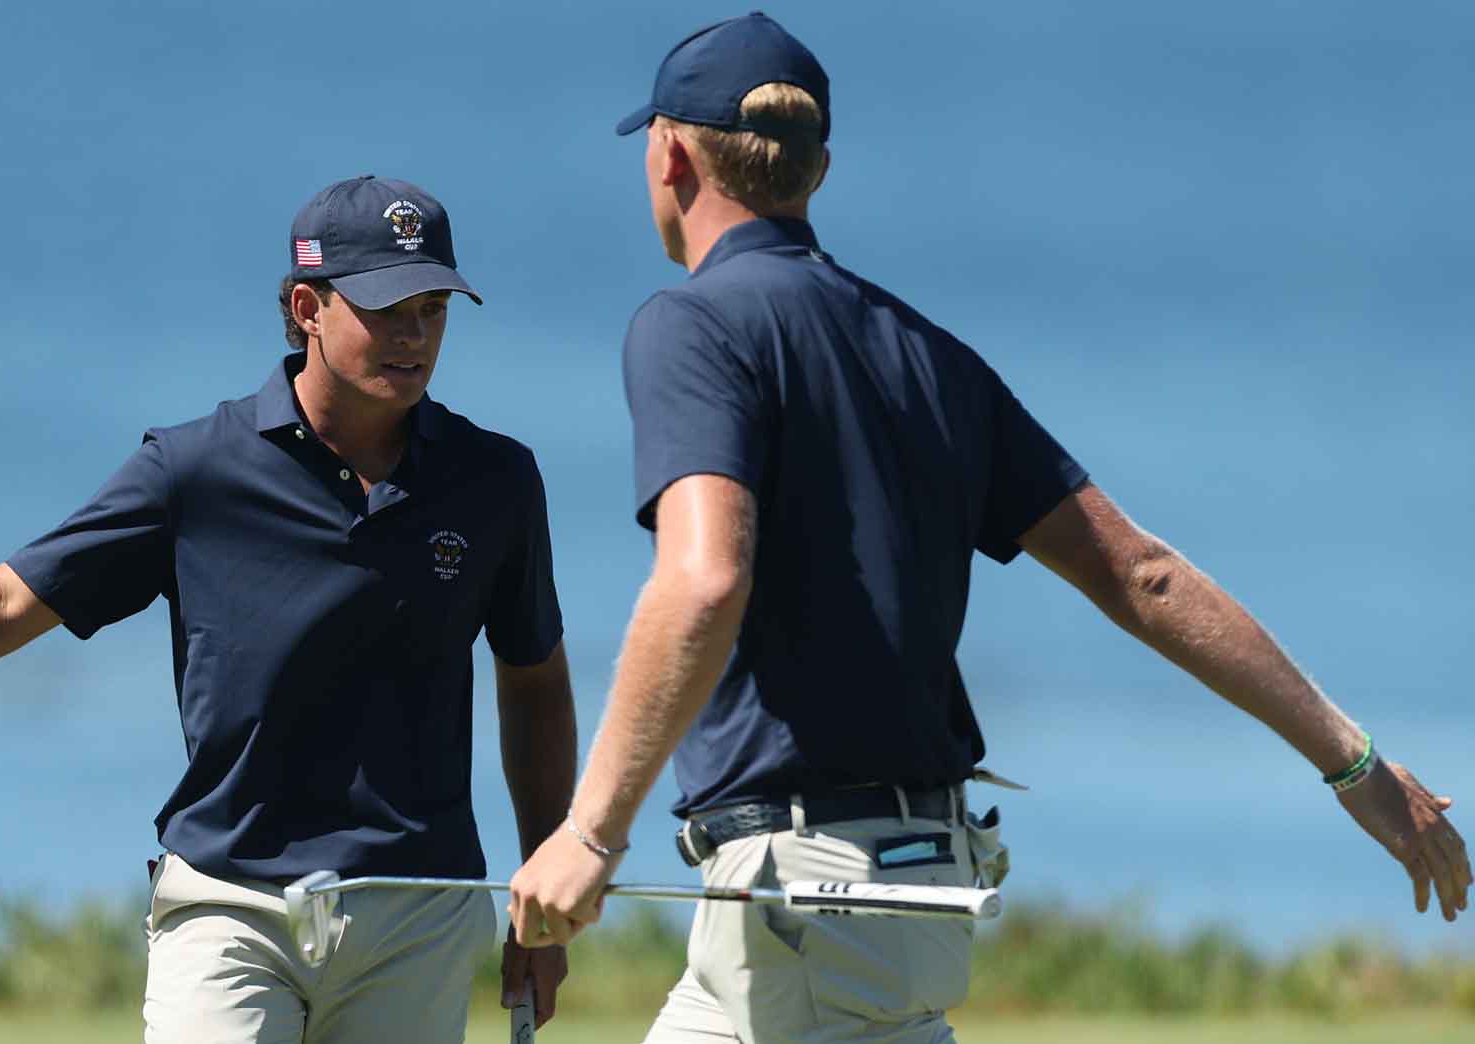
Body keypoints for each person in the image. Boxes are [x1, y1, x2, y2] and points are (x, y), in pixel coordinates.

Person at [507, 12, 1470, 1044]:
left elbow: (701, 580)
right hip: (914, 887)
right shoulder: (929, 356)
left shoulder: (689, 325)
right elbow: (1140, 575)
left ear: (667, 153)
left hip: (800, 903)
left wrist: (591, 833)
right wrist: (1351, 763)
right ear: (816, 168)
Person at [0, 175, 577, 1044]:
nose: (415, 335)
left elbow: (534, 680)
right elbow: (10, 601)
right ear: (308, 305)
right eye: (388, 309)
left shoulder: (494, 480)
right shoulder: (195, 471)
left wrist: (549, 874)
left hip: (416, 913)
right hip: (231, 909)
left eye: (432, 308)